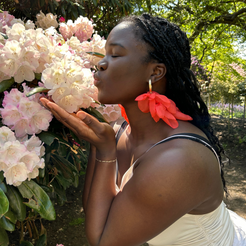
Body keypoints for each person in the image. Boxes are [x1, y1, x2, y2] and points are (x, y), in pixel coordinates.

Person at [40, 14, 246, 246]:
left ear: (155, 73)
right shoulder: (119, 129)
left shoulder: (179, 160)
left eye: (115, 54)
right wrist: (101, 145)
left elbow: (103, 240)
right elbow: (99, 213)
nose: (100, 64)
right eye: (104, 53)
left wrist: (106, 152)